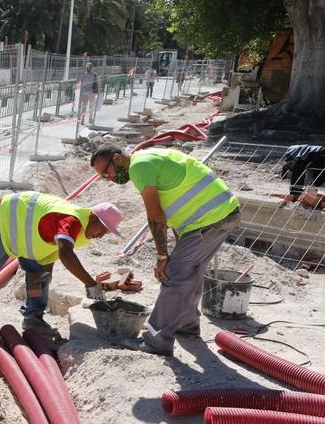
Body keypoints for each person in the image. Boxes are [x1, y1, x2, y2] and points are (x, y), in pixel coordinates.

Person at [90, 144, 241, 356]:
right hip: (220, 213)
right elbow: (177, 204)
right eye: (103, 177)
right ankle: (186, 326)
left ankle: (156, 341)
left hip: (208, 219)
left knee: (174, 275)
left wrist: (162, 256)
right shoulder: (149, 158)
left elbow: (156, 216)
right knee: (191, 272)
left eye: (107, 172)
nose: (109, 178)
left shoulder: (139, 166)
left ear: (117, 158)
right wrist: (175, 248)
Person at [0, 192, 124, 342]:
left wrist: (44, 275)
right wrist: (90, 283)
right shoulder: (72, 220)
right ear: (93, 217)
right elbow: (65, 253)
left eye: (107, 231)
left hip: (29, 232)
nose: (102, 235)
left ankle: (33, 317)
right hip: (8, 218)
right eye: (103, 228)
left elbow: (53, 250)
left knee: (39, 276)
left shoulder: (85, 230)